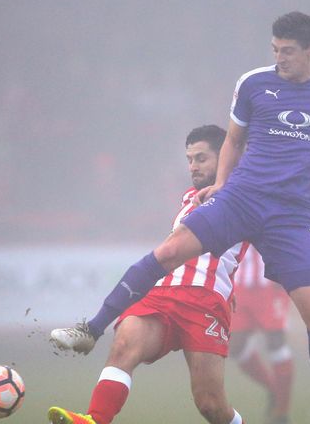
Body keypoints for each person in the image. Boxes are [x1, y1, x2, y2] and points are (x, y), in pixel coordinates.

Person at [51, 11, 310, 424]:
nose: (280, 59)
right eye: (275, 50)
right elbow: (233, 141)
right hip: (242, 197)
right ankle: (92, 328)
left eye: (289, 52)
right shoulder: (253, 83)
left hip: (291, 217)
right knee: (172, 248)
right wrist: (223, 185)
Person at [48, 125, 248, 424]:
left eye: (201, 158)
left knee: (210, 405)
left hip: (206, 302)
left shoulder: (246, 196)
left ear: (225, 157)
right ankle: (95, 420)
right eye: (190, 159)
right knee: (125, 344)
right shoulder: (190, 197)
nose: (193, 166)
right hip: (163, 293)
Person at [229, 245, 295, 424]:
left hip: (270, 284)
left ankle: (281, 412)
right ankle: (274, 388)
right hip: (241, 285)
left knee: (275, 341)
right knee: (235, 345)